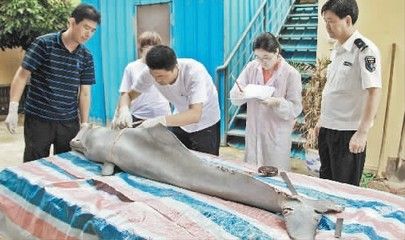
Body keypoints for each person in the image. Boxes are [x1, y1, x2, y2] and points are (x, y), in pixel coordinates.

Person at [4, 4, 101, 162]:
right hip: (39, 119)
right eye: (85, 27)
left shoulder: (86, 56)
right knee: (34, 166)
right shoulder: (43, 44)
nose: (88, 34)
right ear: (71, 22)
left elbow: (84, 92)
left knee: (67, 166)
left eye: (93, 30)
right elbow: (22, 75)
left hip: (68, 122)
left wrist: (84, 123)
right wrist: (13, 108)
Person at [316, 0, 382, 185]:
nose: (327, 27)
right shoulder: (337, 49)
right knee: (326, 183)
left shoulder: (365, 51)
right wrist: (323, 119)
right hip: (328, 128)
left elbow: (374, 91)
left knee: (344, 187)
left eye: (331, 21)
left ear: (347, 20)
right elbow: (333, 89)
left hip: (348, 132)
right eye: (325, 21)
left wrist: (362, 132)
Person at [115, 45, 220, 155]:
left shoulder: (194, 72)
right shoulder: (150, 72)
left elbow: (195, 114)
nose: (156, 80)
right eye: (153, 76)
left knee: (205, 165)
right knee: (175, 158)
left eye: (161, 76)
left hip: (206, 121)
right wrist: (123, 109)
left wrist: (161, 120)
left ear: (175, 67)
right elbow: (128, 95)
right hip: (180, 118)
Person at [229, 32, 302, 171]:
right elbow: (234, 96)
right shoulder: (252, 67)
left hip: (276, 135)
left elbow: (296, 108)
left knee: (276, 175)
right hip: (254, 131)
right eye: (258, 57)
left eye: (266, 58)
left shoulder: (291, 74)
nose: (262, 63)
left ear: (277, 52)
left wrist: (278, 103)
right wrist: (240, 92)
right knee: (253, 173)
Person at [112, 31, 170, 129]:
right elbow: (125, 93)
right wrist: (119, 113)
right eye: (147, 47)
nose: (150, 51)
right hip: (138, 116)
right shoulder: (131, 67)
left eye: (154, 47)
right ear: (140, 49)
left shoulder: (164, 67)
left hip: (162, 115)